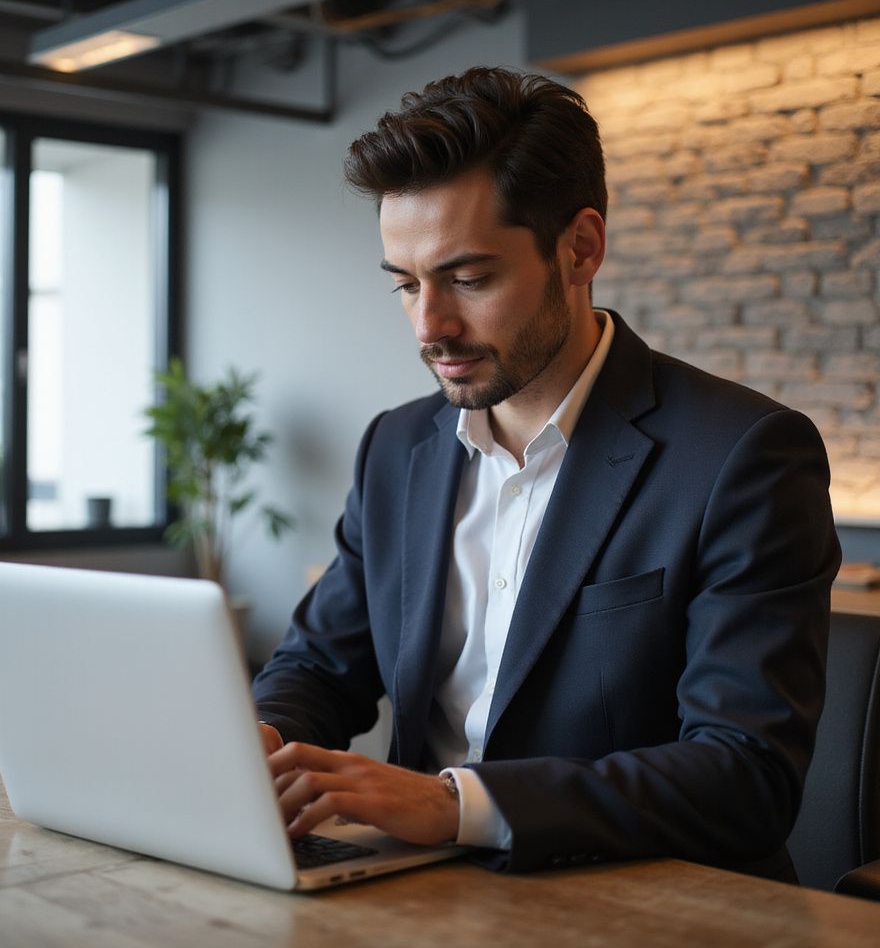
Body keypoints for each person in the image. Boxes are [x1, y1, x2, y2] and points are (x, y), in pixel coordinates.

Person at [252, 67, 840, 881]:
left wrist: (454, 804)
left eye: (468, 278)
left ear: (581, 247)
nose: (431, 327)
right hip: (417, 896)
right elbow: (319, 666)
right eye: (406, 284)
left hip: (645, 907)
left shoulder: (746, 456)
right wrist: (264, 739)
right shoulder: (396, 448)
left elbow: (746, 775)